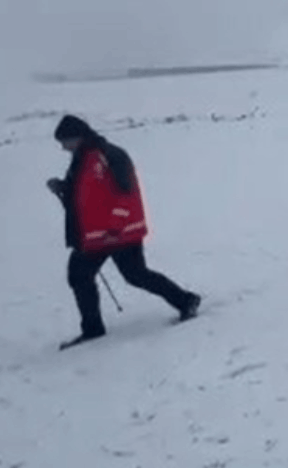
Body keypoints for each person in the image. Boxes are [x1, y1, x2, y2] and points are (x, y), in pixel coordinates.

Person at [47, 115, 201, 349]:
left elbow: (126, 194)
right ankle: (93, 329)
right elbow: (83, 195)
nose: (63, 147)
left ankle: (186, 300)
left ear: (78, 136)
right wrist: (62, 187)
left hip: (118, 233)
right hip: (96, 235)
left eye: (65, 141)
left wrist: (115, 226)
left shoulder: (110, 154)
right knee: (82, 275)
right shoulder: (82, 158)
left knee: (134, 274)